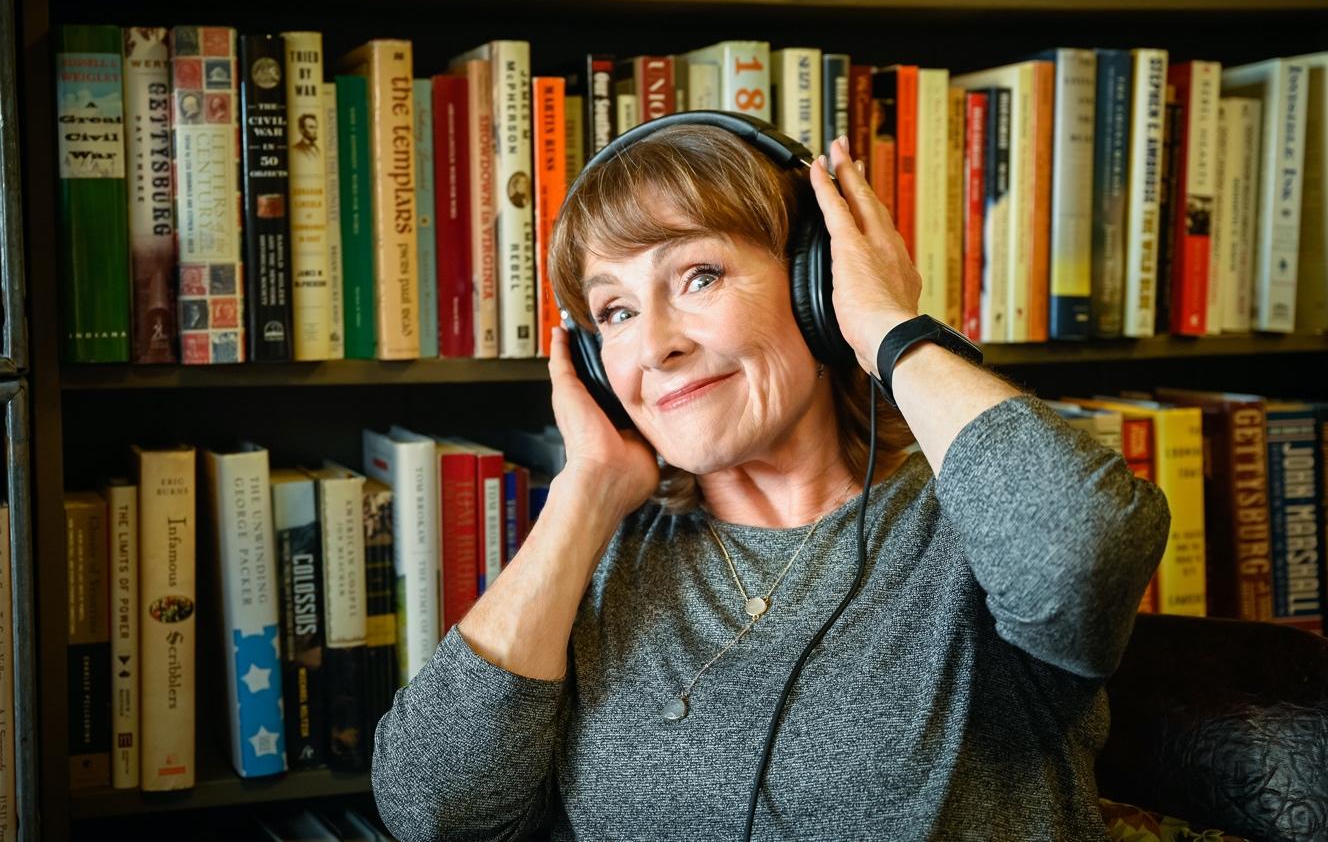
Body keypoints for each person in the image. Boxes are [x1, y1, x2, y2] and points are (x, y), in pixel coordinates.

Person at [371, 125, 1170, 840]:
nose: (653, 346)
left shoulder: (972, 514)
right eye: (613, 312)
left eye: (698, 275)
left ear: (815, 286)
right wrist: (584, 489)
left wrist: (887, 328)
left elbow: (1081, 555)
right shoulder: (600, 558)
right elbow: (433, 810)